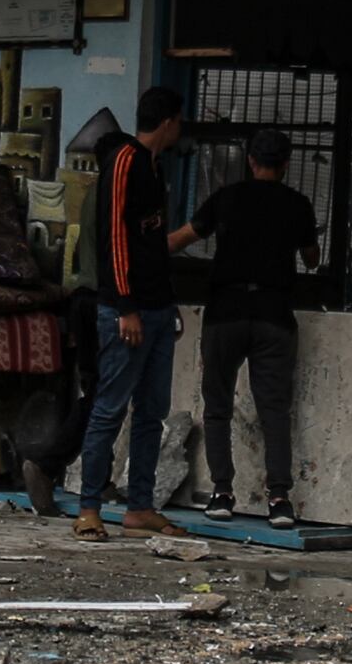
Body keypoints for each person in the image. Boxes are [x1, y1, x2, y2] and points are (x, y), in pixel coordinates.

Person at [170, 129, 320, 516]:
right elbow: (313, 259)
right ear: (285, 165)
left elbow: (183, 239)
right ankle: (280, 499)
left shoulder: (226, 198)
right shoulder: (298, 204)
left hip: (226, 313)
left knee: (217, 405)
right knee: (274, 410)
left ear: (250, 161)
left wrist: (138, 247)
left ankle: (222, 493)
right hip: (274, 316)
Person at [64, 87, 188, 538]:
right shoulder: (124, 161)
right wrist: (125, 306)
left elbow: (150, 246)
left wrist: (165, 303)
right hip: (124, 311)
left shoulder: (154, 169)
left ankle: (140, 504)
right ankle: (90, 507)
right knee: (109, 409)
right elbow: (114, 237)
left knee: (151, 412)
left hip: (155, 308)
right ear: (169, 122)